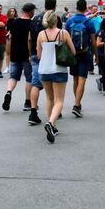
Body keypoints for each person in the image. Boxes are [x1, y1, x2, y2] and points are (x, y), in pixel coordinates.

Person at [37, 10, 75, 143]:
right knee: (59, 100)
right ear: (56, 20)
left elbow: (39, 55)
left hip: (44, 69)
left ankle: (53, 126)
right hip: (59, 69)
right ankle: (50, 123)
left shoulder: (41, 35)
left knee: (49, 98)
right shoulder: (63, 33)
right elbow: (73, 51)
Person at [27, 0, 62, 126]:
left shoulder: (35, 18)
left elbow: (30, 38)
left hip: (37, 53)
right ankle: (53, 110)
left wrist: (31, 53)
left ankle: (33, 111)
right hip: (52, 56)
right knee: (54, 83)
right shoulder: (55, 19)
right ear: (55, 6)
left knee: (36, 83)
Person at [64, 0, 96, 118]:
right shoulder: (89, 22)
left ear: (76, 7)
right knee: (82, 79)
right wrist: (96, 56)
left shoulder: (69, 20)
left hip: (72, 54)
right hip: (84, 53)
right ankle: (76, 104)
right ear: (86, 9)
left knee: (75, 79)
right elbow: (93, 42)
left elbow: (66, 38)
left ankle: (77, 102)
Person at [2, 3, 36, 112]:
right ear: (30, 12)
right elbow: (30, 40)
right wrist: (31, 54)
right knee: (29, 78)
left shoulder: (13, 22)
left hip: (15, 53)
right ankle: (27, 102)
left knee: (13, 77)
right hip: (26, 54)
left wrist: (9, 51)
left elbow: (9, 37)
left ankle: (9, 92)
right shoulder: (31, 23)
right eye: (33, 11)